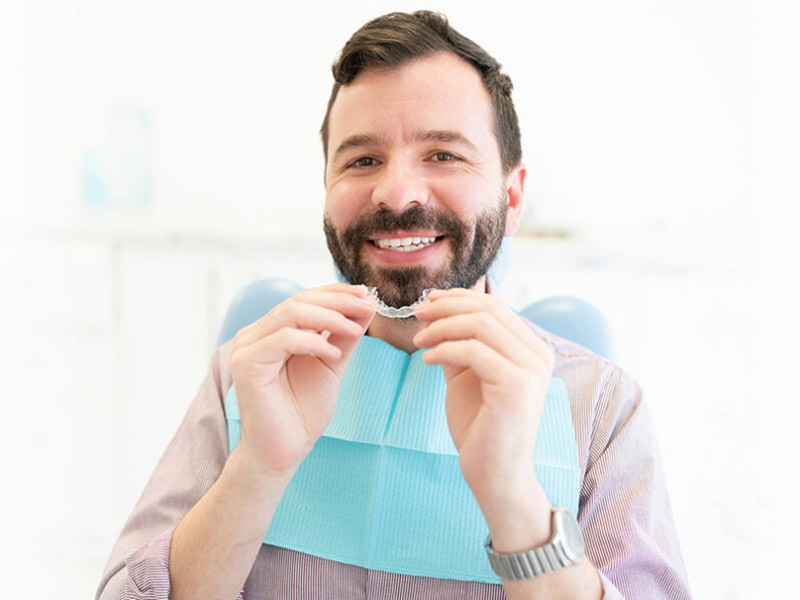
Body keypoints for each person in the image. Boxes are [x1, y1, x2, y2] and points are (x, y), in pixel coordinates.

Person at [96, 11, 691, 600]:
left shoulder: (601, 406)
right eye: (361, 160)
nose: (396, 191)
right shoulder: (248, 375)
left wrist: (514, 496)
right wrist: (256, 471)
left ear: (512, 198)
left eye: (443, 155)